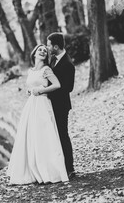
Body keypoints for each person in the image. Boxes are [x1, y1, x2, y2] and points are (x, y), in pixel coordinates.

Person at [7, 44, 69, 185]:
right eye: (40, 50)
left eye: (45, 51)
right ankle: (29, 168)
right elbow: (31, 86)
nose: (42, 51)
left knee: (43, 135)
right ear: (34, 53)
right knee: (30, 135)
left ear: (46, 56)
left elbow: (57, 85)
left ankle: (48, 169)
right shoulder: (31, 71)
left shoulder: (46, 69)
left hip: (42, 104)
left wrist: (40, 90)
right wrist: (30, 91)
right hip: (31, 105)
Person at [46, 32, 75, 178]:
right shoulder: (53, 59)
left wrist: (50, 91)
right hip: (51, 105)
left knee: (63, 136)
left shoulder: (67, 64)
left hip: (61, 106)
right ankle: (58, 165)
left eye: (49, 44)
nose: (47, 47)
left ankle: (69, 168)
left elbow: (69, 87)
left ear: (56, 46)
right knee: (54, 136)